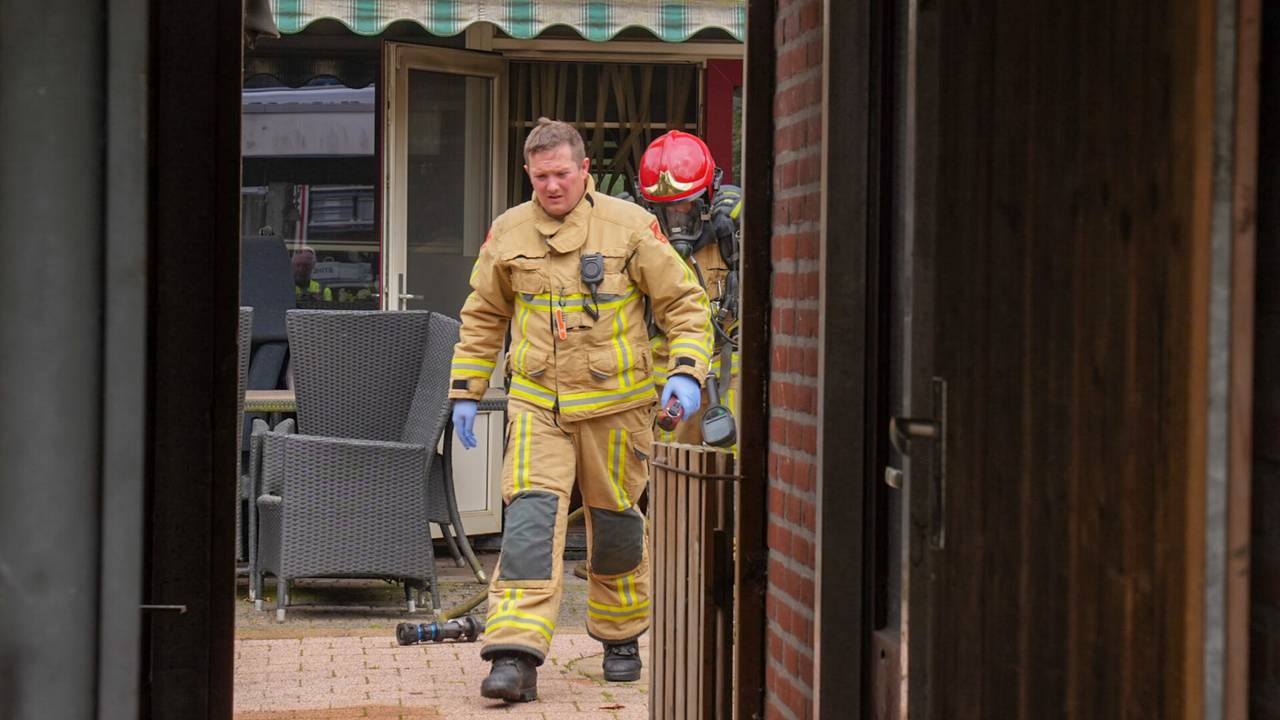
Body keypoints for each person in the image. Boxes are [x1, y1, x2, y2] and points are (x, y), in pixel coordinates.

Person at [448, 118, 714, 703]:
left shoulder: (629, 227)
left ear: (584, 169)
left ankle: (620, 639)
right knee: (528, 524)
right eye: (541, 176)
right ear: (528, 174)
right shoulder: (509, 232)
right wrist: (466, 392)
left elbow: (684, 305)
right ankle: (515, 654)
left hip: (617, 408)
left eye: (562, 174)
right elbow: (484, 315)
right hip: (538, 403)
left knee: (616, 525)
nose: (552, 186)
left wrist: (687, 371)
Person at [635, 130, 742, 446]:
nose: (677, 219)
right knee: (669, 478)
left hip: (728, 381)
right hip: (666, 386)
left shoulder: (732, 238)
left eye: (686, 206)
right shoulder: (640, 242)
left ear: (710, 196)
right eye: (666, 210)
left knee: (730, 477)